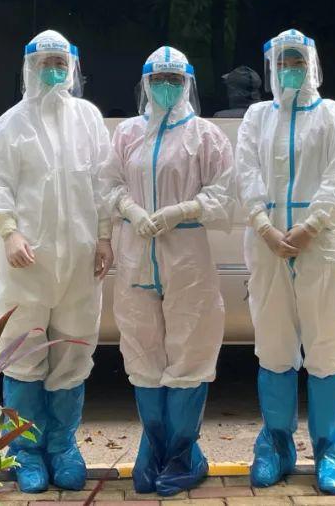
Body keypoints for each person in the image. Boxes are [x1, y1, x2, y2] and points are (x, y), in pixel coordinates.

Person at [0, 30, 113, 493]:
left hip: (80, 261)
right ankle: (26, 452)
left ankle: (63, 447)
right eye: (44, 63)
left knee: (73, 350)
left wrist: (105, 237)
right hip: (27, 263)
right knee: (23, 354)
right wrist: (8, 230)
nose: (52, 70)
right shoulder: (9, 125)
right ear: (29, 68)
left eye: (59, 62)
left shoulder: (88, 119)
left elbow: (102, 183)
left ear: (72, 66)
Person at [235, 30, 335, 496]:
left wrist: (312, 224)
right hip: (268, 248)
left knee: (328, 346)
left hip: (321, 246)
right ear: (271, 68)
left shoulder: (334, 116)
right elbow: (245, 172)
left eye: (297, 61)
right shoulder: (257, 117)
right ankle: (275, 446)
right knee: (274, 345)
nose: (290, 69)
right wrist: (263, 225)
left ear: (312, 65)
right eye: (282, 62)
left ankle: (331, 451)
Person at [101, 46, 234, 496]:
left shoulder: (205, 136)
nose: (166, 87)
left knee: (190, 352)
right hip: (137, 254)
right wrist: (131, 209)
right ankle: (153, 448)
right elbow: (109, 183)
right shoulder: (127, 134)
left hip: (186, 259)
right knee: (142, 352)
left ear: (187, 83)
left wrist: (183, 210)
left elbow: (224, 193)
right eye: (158, 79)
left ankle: (183, 454)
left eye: (174, 80)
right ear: (145, 83)